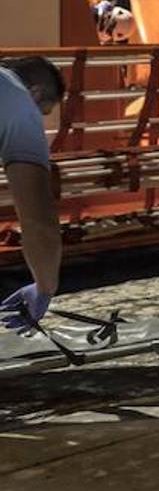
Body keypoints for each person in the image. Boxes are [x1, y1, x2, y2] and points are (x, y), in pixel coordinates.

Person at [0, 57, 65, 330]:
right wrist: (45, 287)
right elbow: (39, 220)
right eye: (43, 112)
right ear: (35, 93)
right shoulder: (19, 102)